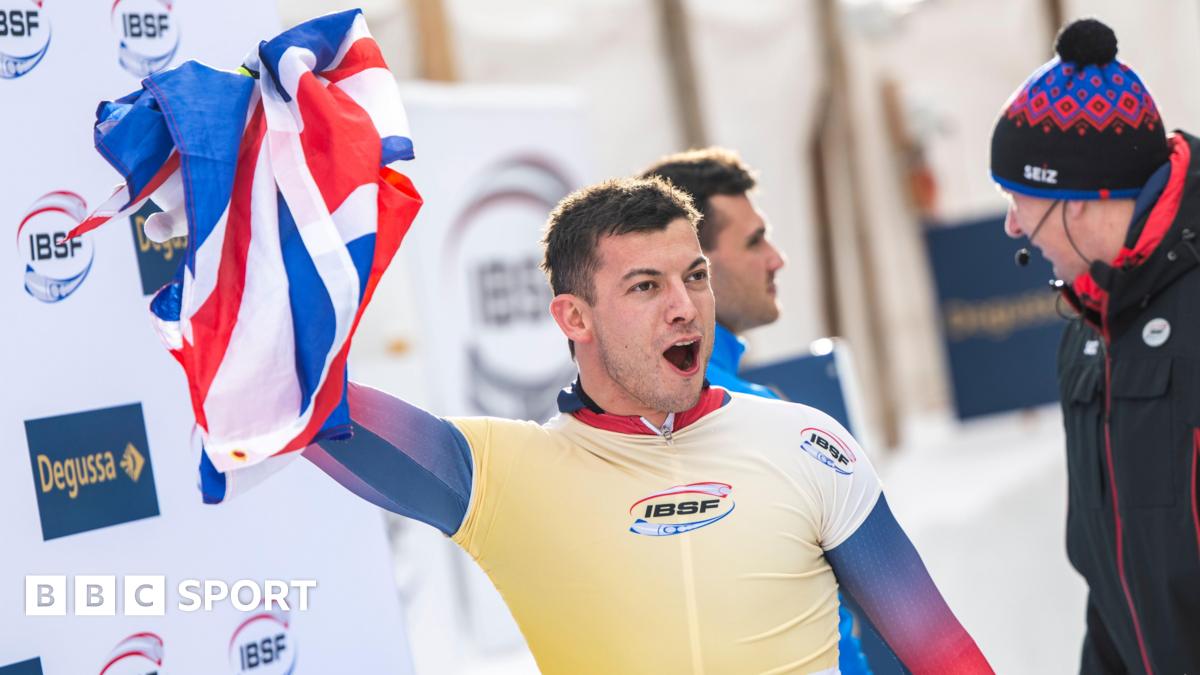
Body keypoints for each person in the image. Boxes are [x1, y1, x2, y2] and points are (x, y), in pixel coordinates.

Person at [298, 176, 990, 674]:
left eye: (695, 276)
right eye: (646, 286)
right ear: (574, 317)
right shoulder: (501, 471)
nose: (684, 306)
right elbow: (311, 408)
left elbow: (940, 651)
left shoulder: (808, 443)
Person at [990, 17, 1200, 674]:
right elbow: (1110, 587)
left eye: (1020, 200)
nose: (1013, 226)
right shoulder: (1086, 333)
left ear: (1073, 200)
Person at [641, 147, 873, 674]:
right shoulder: (734, 413)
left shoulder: (655, 411)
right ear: (691, 267)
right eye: (754, 241)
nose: (776, 258)